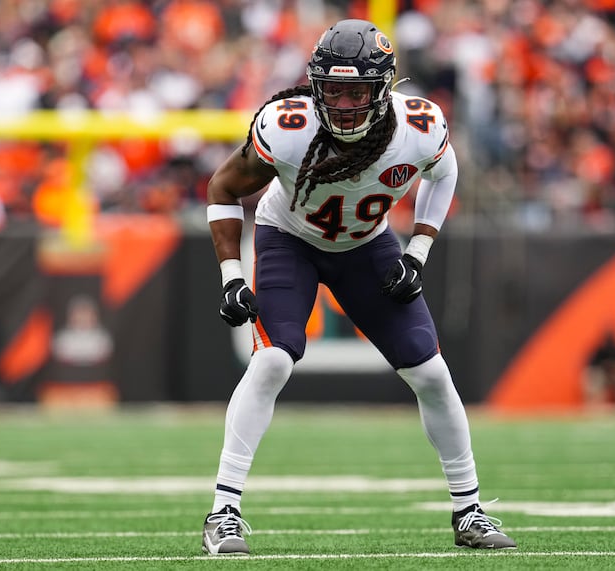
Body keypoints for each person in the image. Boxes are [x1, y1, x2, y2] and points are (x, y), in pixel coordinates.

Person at [201, 19, 517, 555]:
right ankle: (222, 512)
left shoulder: (418, 126)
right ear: (315, 86)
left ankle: (470, 510)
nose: (345, 104)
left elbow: (446, 174)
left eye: (358, 91)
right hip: (290, 240)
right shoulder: (288, 126)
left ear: (385, 89)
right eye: (334, 89)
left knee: (430, 371)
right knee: (275, 359)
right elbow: (223, 186)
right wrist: (232, 276)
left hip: (367, 247)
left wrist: (418, 250)